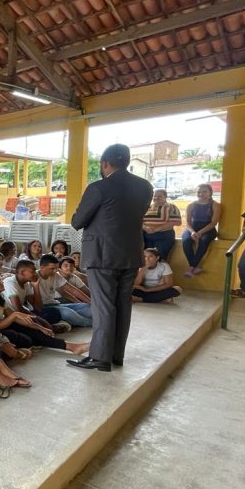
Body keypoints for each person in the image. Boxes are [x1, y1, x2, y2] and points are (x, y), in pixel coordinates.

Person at [69, 143, 154, 372]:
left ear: (105, 163)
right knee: (122, 305)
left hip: (102, 255)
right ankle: (116, 355)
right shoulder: (145, 187)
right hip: (131, 254)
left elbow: (77, 221)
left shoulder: (99, 188)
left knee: (104, 306)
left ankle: (100, 357)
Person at [181, 183, 222, 275]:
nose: (201, 194)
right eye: (199, 192)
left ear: (210, 192)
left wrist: (200, 232)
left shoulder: (215, 205)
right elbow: (187, 222)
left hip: (208, 230)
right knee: (186, 240)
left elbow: (213, 223)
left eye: (204, 192)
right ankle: (194, 267)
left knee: (203, 240)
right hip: (192, 229)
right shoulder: (191, 205)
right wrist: (192, 232)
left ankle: (191, 268)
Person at [141, 188, 180, 261]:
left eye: (160, 196)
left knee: (159, 258)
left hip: (164, 236)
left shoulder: (171, 207)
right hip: (146, 236)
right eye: (154, 196)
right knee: (145, 258)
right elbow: (138, 221)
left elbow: (176, 222)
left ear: (165, 197)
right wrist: (145, 228)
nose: (156, 198)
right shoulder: (146, 207)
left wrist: (155, 229)